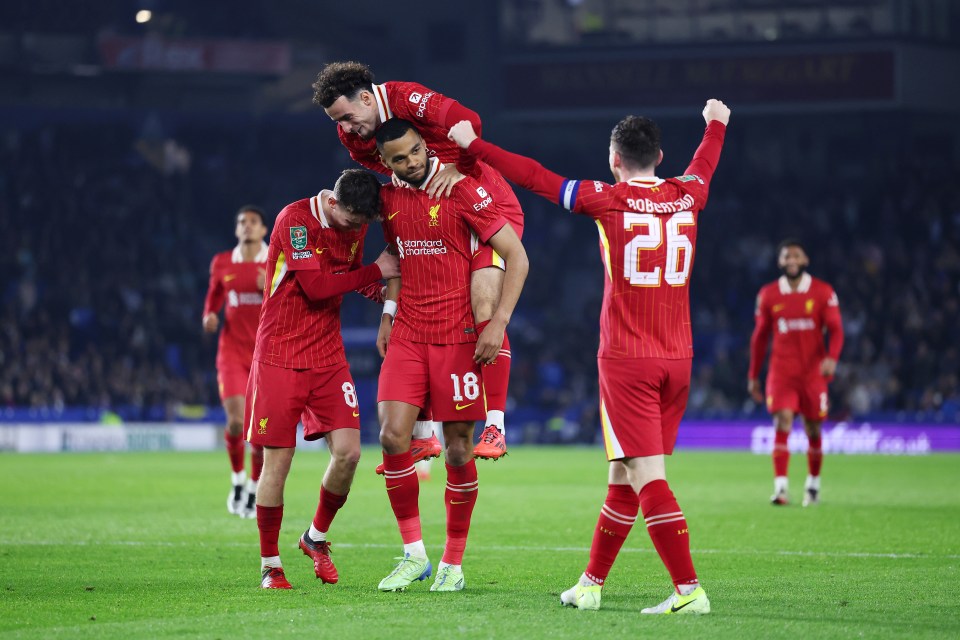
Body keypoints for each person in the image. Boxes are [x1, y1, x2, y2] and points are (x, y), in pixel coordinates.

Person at [448, 99, 730, 614]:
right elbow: (705, 163)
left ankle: (689, 591)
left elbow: (534, 177)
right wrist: (716, 124)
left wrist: (473, 147)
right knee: (623, 473)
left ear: (614, 159)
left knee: (648, 477)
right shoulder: (689, 193)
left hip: (629, 359)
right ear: (660, 156)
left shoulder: (607, 198)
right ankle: (591, 585)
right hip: (680, 357)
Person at [313, 61, 520, 460]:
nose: (347, 128)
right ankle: (425, 431)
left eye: (350, 117)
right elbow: (399, 177)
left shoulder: (407, 98)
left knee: (482, 306)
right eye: (337, 122)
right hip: (433, 208)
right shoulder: (354, 139)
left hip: (484, 200)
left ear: (369, 98)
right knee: (414, 294)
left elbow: (469, 120)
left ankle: (495, 425)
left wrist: (456, 169)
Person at [364, 118, 528, 592]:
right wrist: (388, 314)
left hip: (458, 337)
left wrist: (497, 322)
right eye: (400, 158)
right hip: (410, 335)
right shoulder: (387, 200)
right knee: (393, 437)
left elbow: (516, 257)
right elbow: (395, 260)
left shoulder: (461, 190)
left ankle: (453, 563)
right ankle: (414, 555)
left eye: (415, 150)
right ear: (385, 163)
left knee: (458, 446)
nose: (412, 161)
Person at [247, 169, 400, 589]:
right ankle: (270, 564)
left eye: (363, 225)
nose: (356, 230)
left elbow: (350, 279)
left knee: (350, 453)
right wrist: (376, 271)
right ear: (334, 203)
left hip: (328, 355)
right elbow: (316, 287)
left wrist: (391, 299)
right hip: (280, 354)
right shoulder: (296, 220)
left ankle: (315, 537)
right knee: (279, 463)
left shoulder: (354, 225)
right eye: (353, 222)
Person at [748, 239, 844, 507]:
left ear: (805, 260)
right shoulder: (768, 294)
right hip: (782, 373)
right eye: (786, 256)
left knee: (813, 429)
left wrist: (832, 359)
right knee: (783, 422)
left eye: (796, 256)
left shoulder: (823, 292)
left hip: (813, 374)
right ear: (780, 262)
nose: (791, 260)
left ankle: (812, 485)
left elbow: (836, 329)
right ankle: (780, 489)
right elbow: (759, 338)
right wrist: (753, 375)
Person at [202, 205, 269, 518]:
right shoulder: (222, 262)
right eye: (242, 222)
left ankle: (256, 488)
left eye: (253, 222)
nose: (247, 226)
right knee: (236, 422)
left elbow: (292, 303)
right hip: (231, 353)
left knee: (259, 431)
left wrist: (267, 287)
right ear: (236, 229)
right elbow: (214, 297)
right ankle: (238, 480)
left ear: (264, 230)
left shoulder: (274, 263)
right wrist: (209, 316)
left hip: (266, 355)